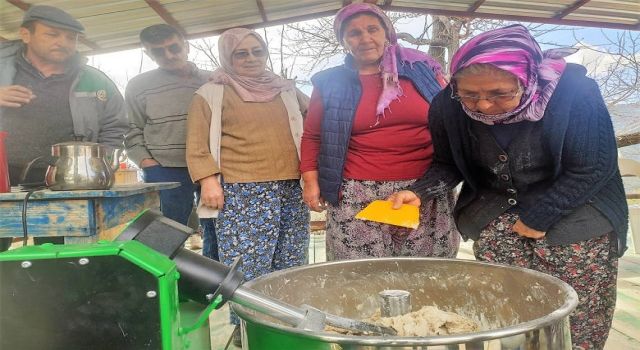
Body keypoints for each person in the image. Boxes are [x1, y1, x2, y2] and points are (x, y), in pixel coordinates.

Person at [389, 24, 627, 350]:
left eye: (499, 94)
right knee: (510, 318)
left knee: (572, 323)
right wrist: (420, 192)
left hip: (577, 218)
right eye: (469, 94)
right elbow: (448, 164)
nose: (483, 106)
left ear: (525, 77)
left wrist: (540, 216)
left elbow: (593, 166)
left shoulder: (575, 92)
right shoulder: (447, 105)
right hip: (497, 223)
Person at [299, 3, 459, 261]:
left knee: (424, 274)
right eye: (354, 33)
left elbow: (454, 122)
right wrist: (311, 182)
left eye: (372, 29)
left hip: (424, 190)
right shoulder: (329, 82)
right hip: (356, 191)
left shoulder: (422, 70)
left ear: (387, 32)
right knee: (358, 275)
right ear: (343, 40)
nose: (365, 38)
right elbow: (313, 136)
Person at [185, 27, 309, 346]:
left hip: (291, 188)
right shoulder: (211, 92)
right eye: (242, 53)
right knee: (248, 265)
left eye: (257, 51)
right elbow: (197, 143)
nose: (251, 58)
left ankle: (285, 326)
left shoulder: (286, 89)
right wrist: (209, 180)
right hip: (243, 189)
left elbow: (317, 120)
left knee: (291, 260)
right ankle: (246, 333)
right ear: (228, 56)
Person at [0, 5, 127, 251]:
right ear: (26, 34)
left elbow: (116, 125)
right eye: (52, 34)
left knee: (61, 258)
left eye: (71, 37)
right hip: (1, 178)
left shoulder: (95, 80)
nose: (64, 42)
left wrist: (99, 162)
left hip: (64, 182)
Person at [124, 24, 216, 258]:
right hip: (165, 168)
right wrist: (146, 162)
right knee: (164, 234)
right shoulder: (138, 85)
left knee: (217, 230)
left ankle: (213, 286)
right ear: (148, 54)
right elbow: (131, 128)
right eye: (158, 51)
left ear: (186, 45)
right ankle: (161, 285)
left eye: (173, 47)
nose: (168, 55)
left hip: (214, 167)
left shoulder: (213, 80)